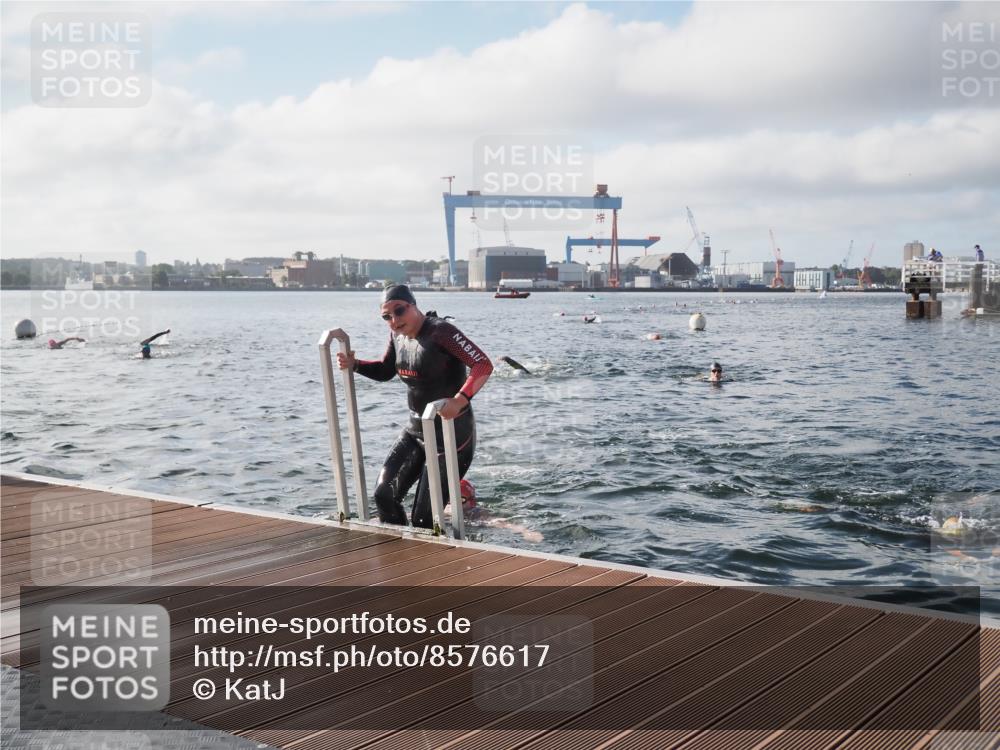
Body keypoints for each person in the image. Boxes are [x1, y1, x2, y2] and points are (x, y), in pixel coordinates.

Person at [337, 285, 493, 528]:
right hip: (416, 430)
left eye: (399, 311)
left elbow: (482, 364)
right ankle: (398, 558)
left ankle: (435, 559)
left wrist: (460, 400)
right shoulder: (397, 336)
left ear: (414, 305)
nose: (394, 321)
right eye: (387, 317)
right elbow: (385, 370)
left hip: (452, 436)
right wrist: (355, 364)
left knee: (423, 518)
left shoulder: (441, 332)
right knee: (384, 495)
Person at [444, 479, 543, 543]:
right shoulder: (441, 510)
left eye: (460, 500)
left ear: (471, 502)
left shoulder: (476, 515)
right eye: (449, 499)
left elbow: (500, 523)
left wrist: (525, 531)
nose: (453, 504)